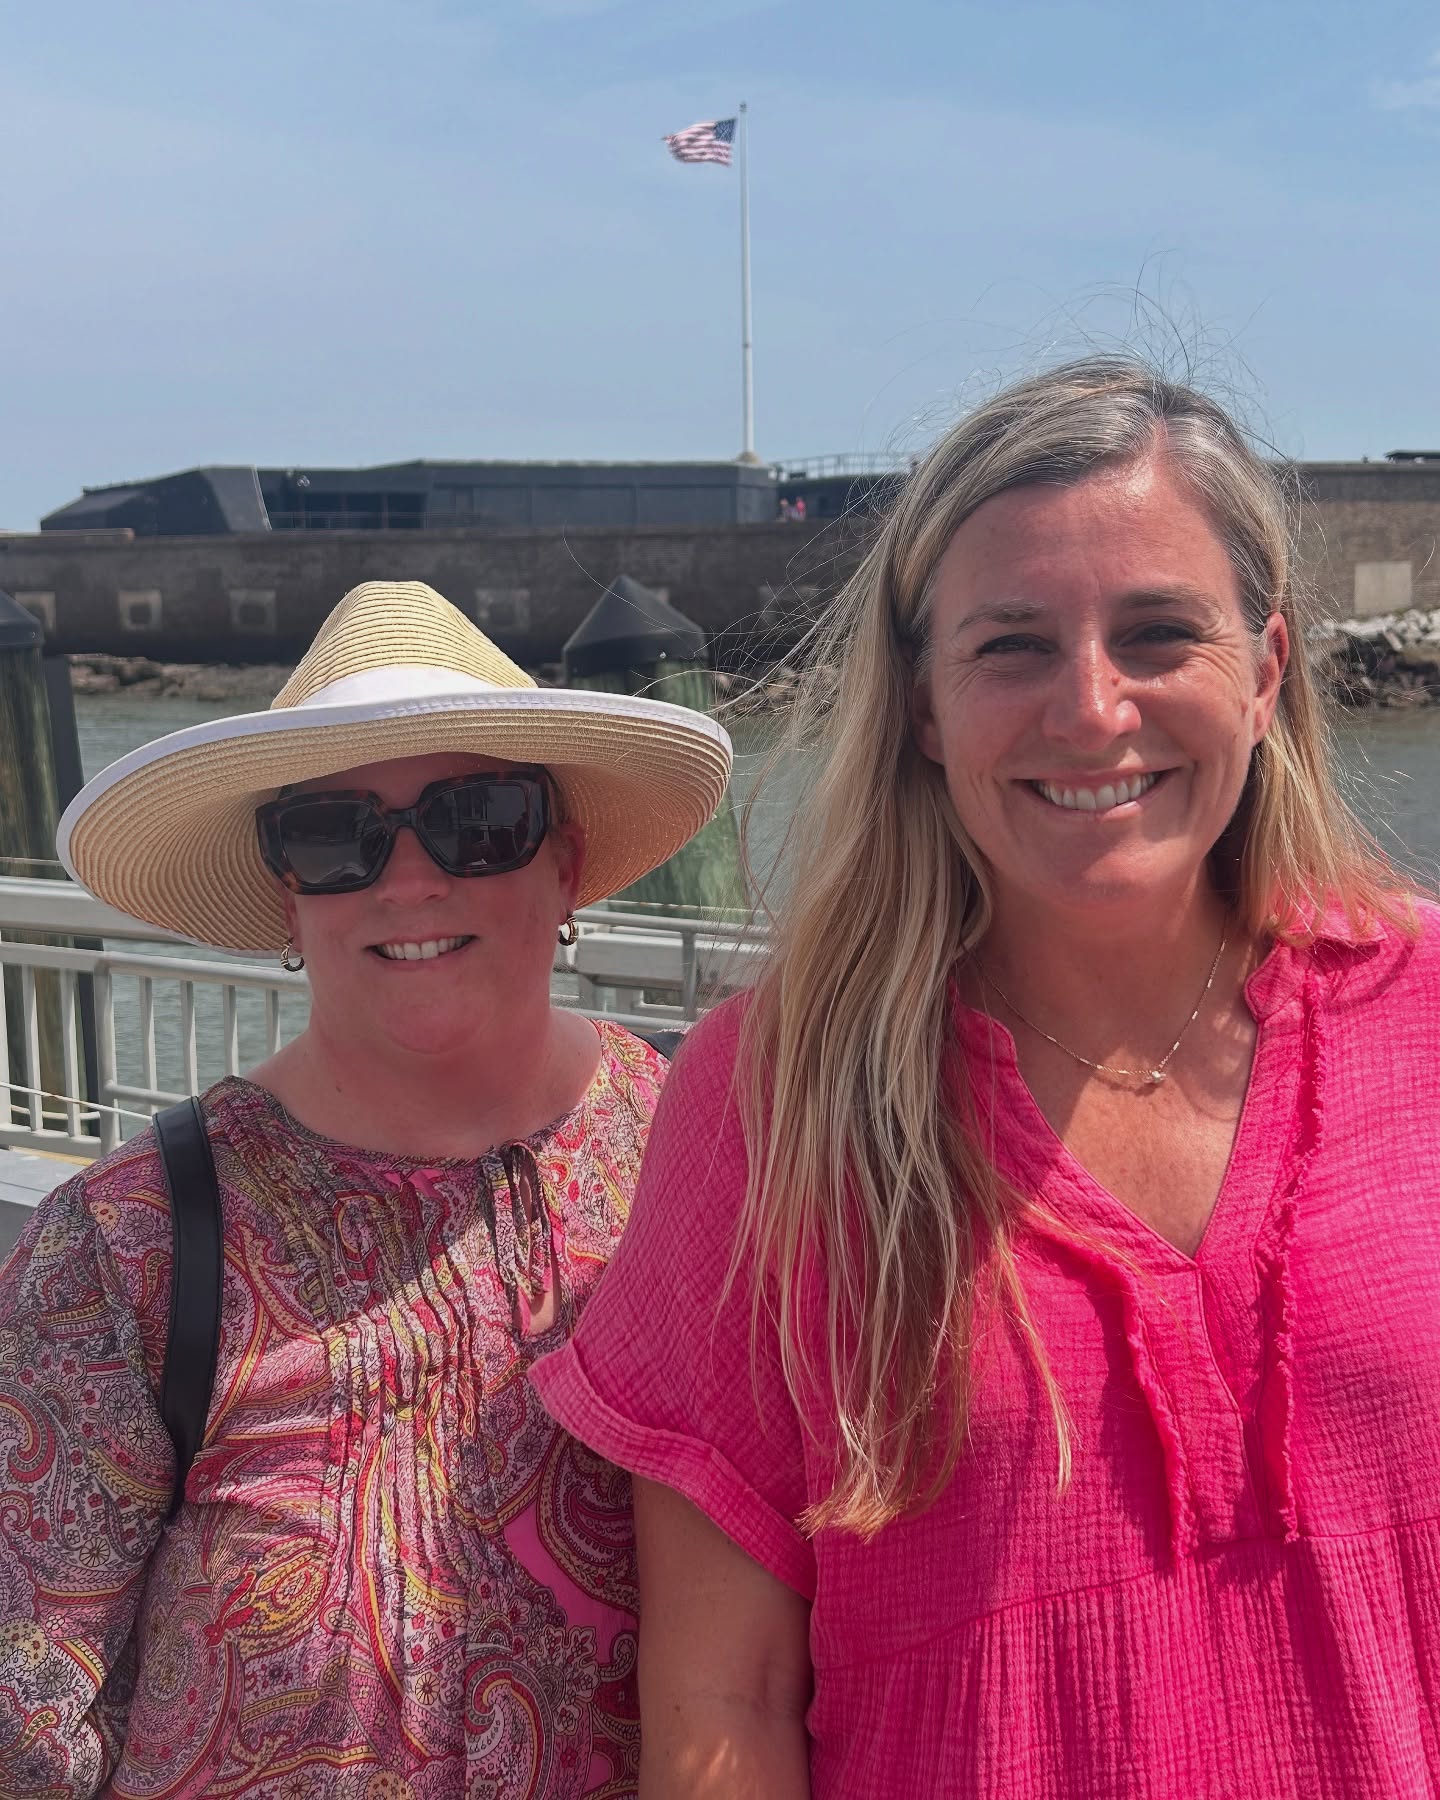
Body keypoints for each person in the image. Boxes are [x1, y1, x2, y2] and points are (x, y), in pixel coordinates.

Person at [533, 359, 1440, 1797]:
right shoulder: (779, 1098)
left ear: (1265, 673)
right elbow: (727, 1702)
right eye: (1012, 646)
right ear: (922, 706)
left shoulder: (1425, 1014)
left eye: (1157, 633)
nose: (1091, 709)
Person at [0, 580, 731, 1798]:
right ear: (289, 891)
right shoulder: (124, 1252)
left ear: (568, 862)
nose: (408, 880)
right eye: (337, 834)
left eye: (478, 819)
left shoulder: (706, 1162)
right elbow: (28, 1715)